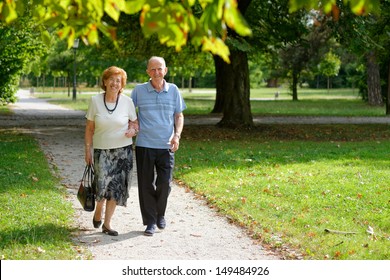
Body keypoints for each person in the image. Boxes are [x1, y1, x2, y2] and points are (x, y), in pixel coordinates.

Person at [131, 56, 186, 236]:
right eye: (152, 69)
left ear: (165, 70)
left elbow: (179, 115)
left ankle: (160, 213)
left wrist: (177, 135)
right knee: (145, 184)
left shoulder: (174, 90)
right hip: (145, 144)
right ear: (148, 71)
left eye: (159, 69)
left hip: (166, 145)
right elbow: (130, 113)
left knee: (165, 183)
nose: (156, 72)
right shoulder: (139, 90)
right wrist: (135, 124)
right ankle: (151, 222)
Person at [85, 66, 138, 236]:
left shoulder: (127, 102)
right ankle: (98, 208)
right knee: (102, 185)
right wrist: (88, 150)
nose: (115, 83)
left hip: (123, 151)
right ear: (105, 82)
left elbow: (135, 123)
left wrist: (133, 131)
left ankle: (107, 224)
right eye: (112, 80)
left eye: (119, 80)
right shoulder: (95, 101)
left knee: (116, 188)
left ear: (122, 84)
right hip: (102, 151)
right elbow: (89, 128)